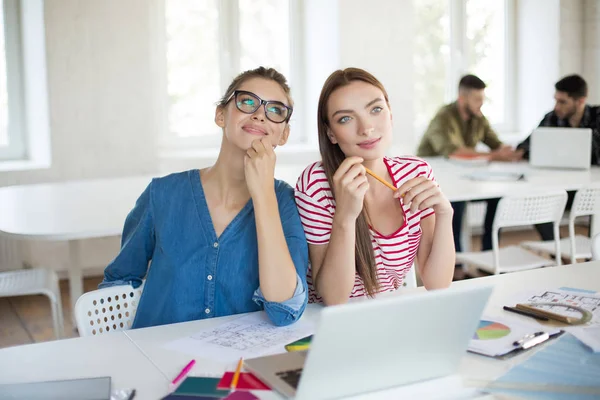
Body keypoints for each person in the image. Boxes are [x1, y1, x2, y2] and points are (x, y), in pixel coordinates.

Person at [100, 67, 309, 328]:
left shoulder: (287, 203)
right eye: (247, 102)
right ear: (221, 115)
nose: (259, 115)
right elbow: (119, 280)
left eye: (275, 110)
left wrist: (264, 193)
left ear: (284, 134)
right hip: (157, 360)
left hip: (239, 364)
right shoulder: (162, 194)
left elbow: (284, 310)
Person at [294, 68, 454, 305]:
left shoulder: (416, 173)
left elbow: (437, 284)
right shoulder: (316, 183)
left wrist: (445, 214)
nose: (366, 128)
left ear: (390, 114)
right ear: (331, 134)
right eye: (345, 118)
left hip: (387, 318)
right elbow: (333, 298)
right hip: (329, 324)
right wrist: (345, 218)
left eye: (376, 109)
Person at [416, 74, 522, 259]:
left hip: (465, 176)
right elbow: (454, 152)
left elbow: (496, 145)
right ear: (462, 98)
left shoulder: (478, 117)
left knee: (496, 197)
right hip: (438, 180)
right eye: (477, 99)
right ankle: (455, 263)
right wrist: (494, 156)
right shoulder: (444, 117)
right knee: (454, 203)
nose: (481, 103)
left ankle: (489, 255)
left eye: (482, 98)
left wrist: (513, 152)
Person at [517, 74, 600, 241]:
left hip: (594, 190)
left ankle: (593, 257)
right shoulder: (552, 118)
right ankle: (558, 252)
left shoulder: (597, 116)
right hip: (562, 189)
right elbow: (524, 147)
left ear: (580, 101)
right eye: (556, 100)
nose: (557, 106)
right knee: (535, 206)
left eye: (563, 102)